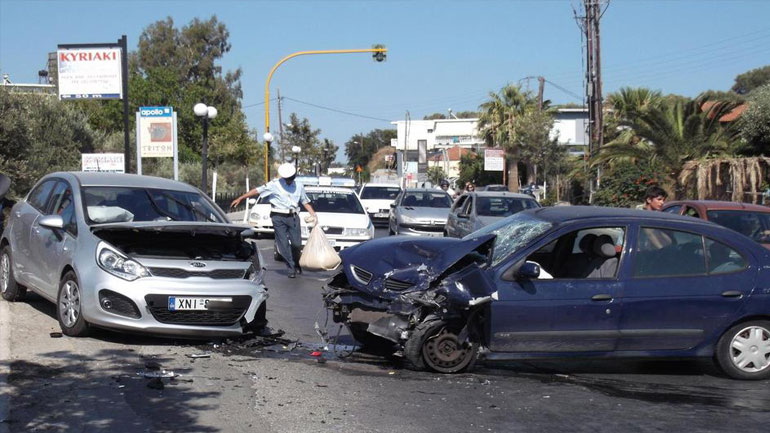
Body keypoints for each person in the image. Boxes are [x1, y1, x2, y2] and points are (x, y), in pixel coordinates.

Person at [231, 163, 316, 278]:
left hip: (293, 217)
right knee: (283, 243)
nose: (289, 180)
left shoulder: (299, 186)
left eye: (291, 178)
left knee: (296, 244)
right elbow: (257, 191)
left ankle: (296, 262)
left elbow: (305, 201)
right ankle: (291, 267)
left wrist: (313, 215)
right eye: (287, 179)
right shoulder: (274, 184)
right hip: (278, 216)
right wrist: (241, 198)